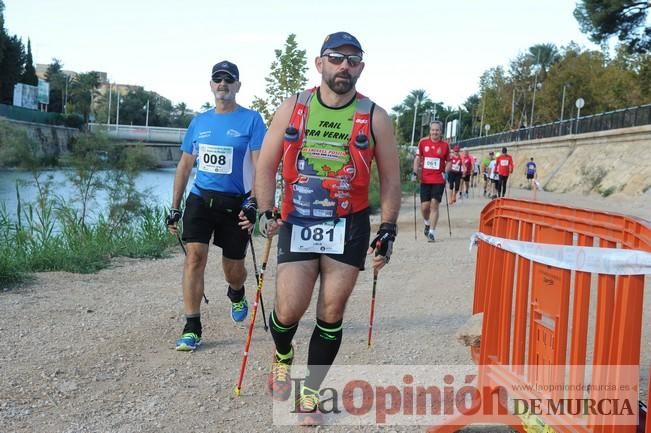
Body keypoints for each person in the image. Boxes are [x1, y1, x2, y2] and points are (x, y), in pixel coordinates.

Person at [254, 32, 401, 425]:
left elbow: (390, 179)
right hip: (298, 219)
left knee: (331, 310)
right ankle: (282, 354)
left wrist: (387, 228)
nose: (344, 67)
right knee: (288, 309)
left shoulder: (375, 117)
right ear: (320, 63)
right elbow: (265, 165)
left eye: (353, 61)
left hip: (348, 224)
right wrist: (266, 210)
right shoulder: (293, 108)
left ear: (361, 68)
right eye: (336, 58)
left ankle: (310, 394)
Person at [165, 60, 266, 351]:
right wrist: (175, 207)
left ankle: (236, 292)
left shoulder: (252, 120)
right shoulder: (199, 122)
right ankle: (192, 326)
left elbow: (260, 166)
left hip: (236, 203)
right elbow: (185, 166)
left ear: (238, 86)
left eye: (229, 80)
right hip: (200, 198)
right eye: (218, 80)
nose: (223, 84)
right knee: (194, 257)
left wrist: (255, 203)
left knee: (233, 268)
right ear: (211, 85)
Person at [413, 121, 450, 242]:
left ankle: (432, 233)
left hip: (438, 179)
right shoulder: (423, 142)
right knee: (425, 207)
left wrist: (446, 172)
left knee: (434, 205)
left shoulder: (445, 145)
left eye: (437, 130)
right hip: (425, 179)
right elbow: (418, 158)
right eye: (433, 130)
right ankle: (427, 223)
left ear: (441, 131)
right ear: (430, 131)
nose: (435, 132)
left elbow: (449, 161)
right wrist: (414, 172)